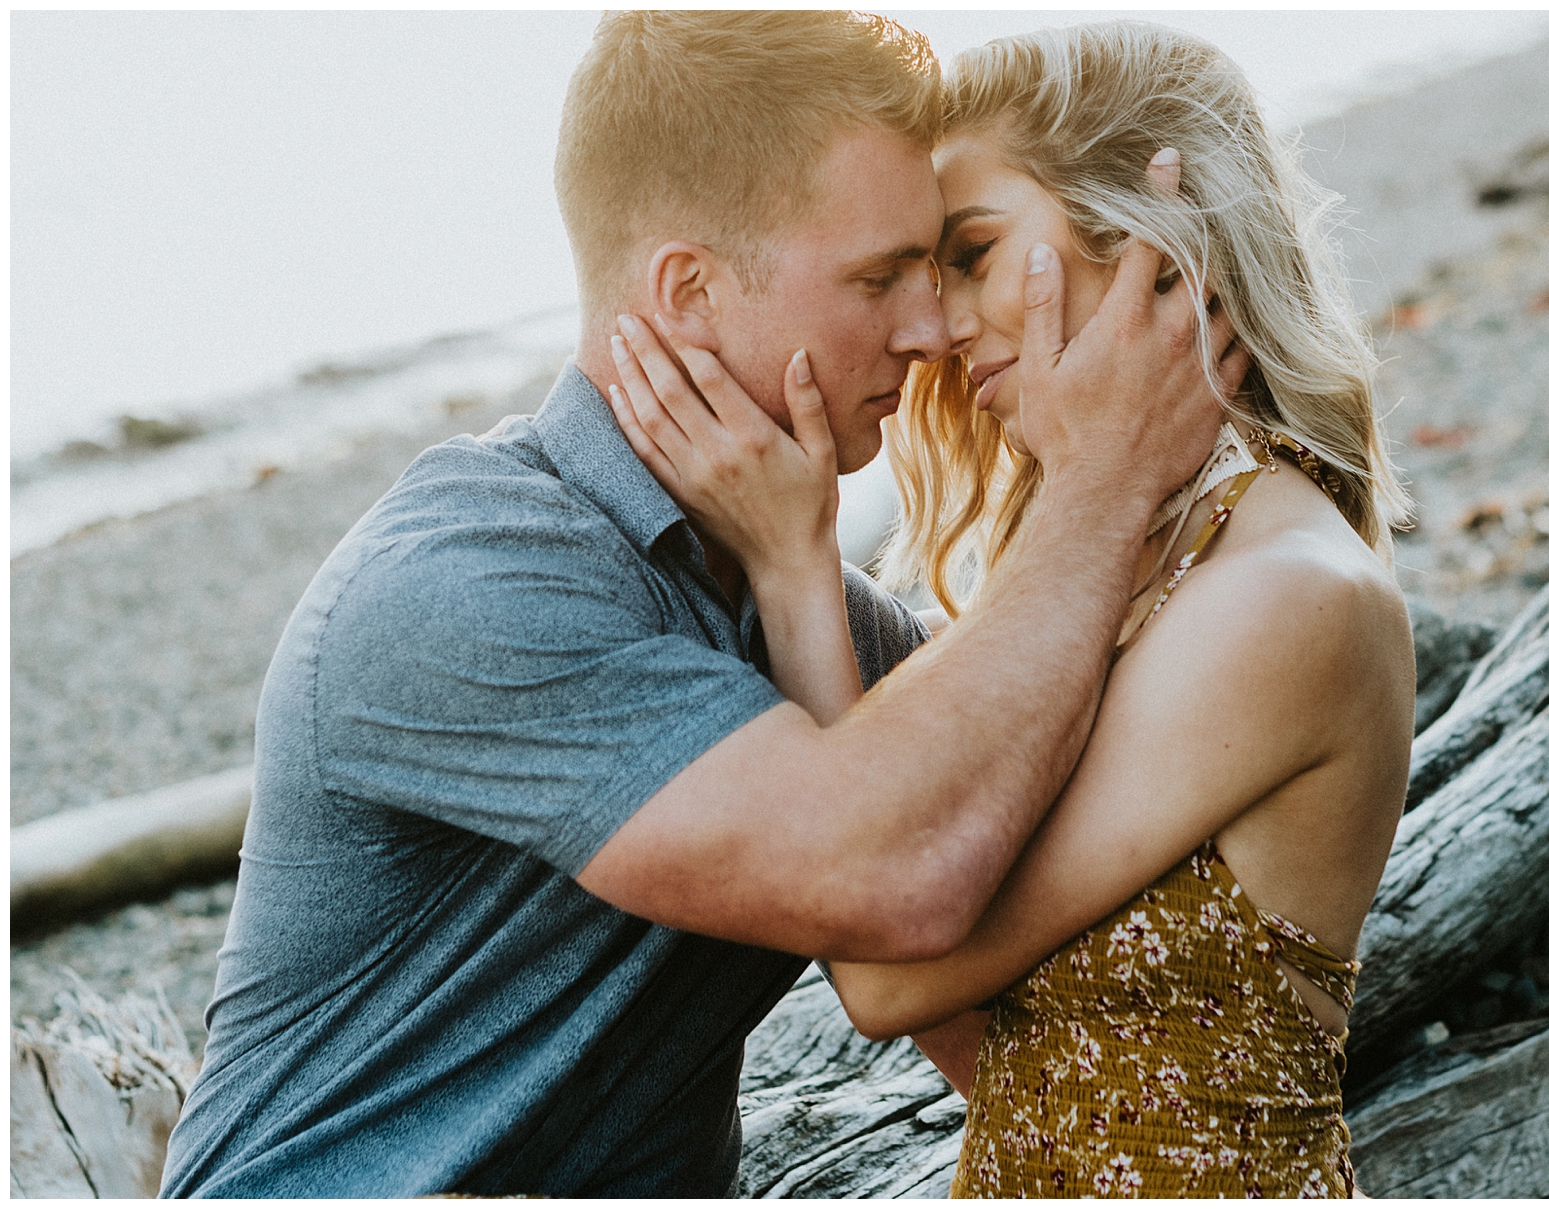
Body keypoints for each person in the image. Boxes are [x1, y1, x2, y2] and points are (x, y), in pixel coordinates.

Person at [158, 12, 1235, 1198]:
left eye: (936, 270)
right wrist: (1105, 479)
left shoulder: (825, 620)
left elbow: (985, 1031)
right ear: (687, 288)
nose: (929, 332)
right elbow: (895, 880)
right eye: (878, 278)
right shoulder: (467, 582)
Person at [606, 20, 1415, 1199]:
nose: (937, 327)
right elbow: (988, 1035)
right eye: (918, 274)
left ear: (1149, 236)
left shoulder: (1285, 596)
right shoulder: (1115, 557)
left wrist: (795, 575)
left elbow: (888, 974)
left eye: (972, 253)